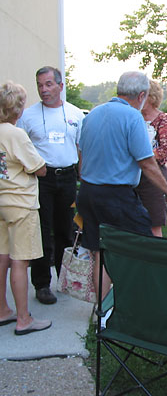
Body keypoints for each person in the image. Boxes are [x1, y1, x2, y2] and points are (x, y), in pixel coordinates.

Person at [77, 72, 167, 300]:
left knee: (99, 253)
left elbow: (81, 154)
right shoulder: (132, 117)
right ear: (142, 95)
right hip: (116, 196)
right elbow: (147, 163)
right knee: (142, 246)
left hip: (88, 191)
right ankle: (143, 303)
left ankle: (101, 313)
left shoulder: (93, 114)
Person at [17, 67, 84, 305]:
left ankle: (64, 279)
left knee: (66, 230)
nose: (43, 90)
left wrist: (82, 178)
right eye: (40, 85)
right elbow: (21, 150)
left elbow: (80, 149)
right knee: (42, 232)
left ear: (60, 86)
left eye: (48, 84)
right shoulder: (27, 116)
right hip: (41, 179)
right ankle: (42, 284)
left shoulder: (76, 115)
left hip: (67, 178)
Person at [0, 81, 51, 335]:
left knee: (2, 257)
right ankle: (23, 319)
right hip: (21, 203)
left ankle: (2, 309)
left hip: (1, 201)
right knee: (20, 261)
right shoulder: (16, 133)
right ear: (17, 108)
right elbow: (39, 168)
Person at [135, 79, 167, 237]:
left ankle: (155, 256)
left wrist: (143, 158)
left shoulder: (162, 119)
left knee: (154, 221)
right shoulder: (134, 116)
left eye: (143, 95)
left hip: (153, 176)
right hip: (132, 174)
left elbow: (166, 149)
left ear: (151, 97)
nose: (139, 99)